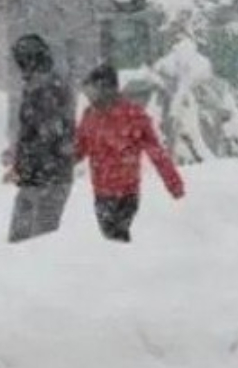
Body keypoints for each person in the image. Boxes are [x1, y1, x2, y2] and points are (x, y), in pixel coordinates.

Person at [75, 64, 185, 243]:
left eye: (93, 90)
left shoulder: (134, 116)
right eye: (88, 91)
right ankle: (126, 266)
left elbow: (157, 153)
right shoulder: (90, 116)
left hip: (127, 195)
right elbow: (77, 149)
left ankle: (129, 266)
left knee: (116, 238)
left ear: (108, 89)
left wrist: (174, 183)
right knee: (111, 242)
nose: (90, 96)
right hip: (101, 195)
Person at [6, 34, 75, 243]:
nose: (19, 67)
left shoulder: (46, 88)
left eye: (21, 60)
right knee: (27, 243)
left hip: (47, 179)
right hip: (41, 178)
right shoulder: (39, 85)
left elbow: (48, 135)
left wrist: (26, 165)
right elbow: (31, 133)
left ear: (29, 59)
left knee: (37, 245)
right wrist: (19, 163)